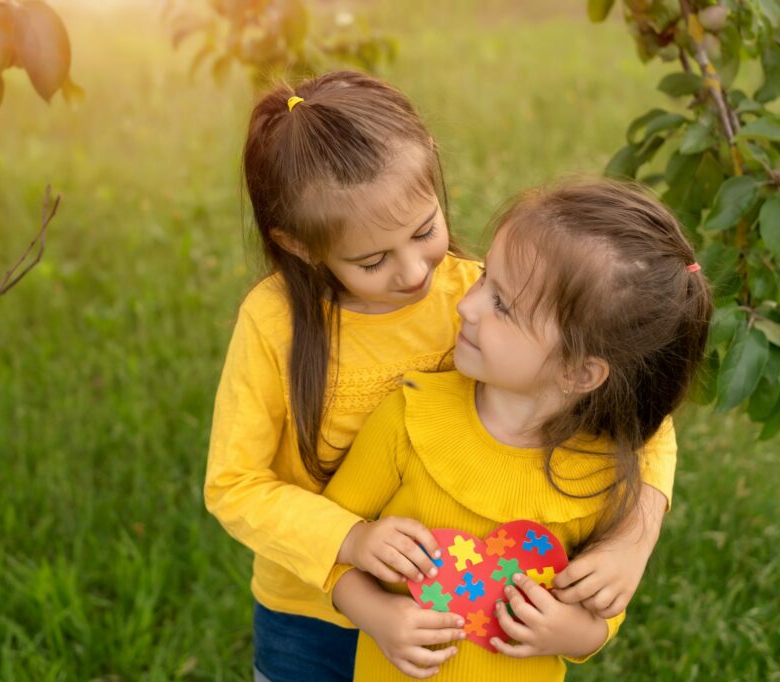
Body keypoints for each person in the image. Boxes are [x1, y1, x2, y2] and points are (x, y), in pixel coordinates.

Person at [204, 71, 678, 682]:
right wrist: (350, 541)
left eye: (426, 230)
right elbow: (234, 485)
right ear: (299, 245)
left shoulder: (487, 301)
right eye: (372, 260)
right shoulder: (276, 325)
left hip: (451, 612)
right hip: (308, 611)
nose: (412, 271)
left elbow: (643, 411)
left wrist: (632, 540)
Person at [323, 179, 713, 681]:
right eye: (485, 277)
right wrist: (376, 615)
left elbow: (601, 614)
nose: (467, 304)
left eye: (503, 305)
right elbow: (332, 543)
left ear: (579, 373)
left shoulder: (600, 471)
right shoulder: (410, 417)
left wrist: (568, 632)